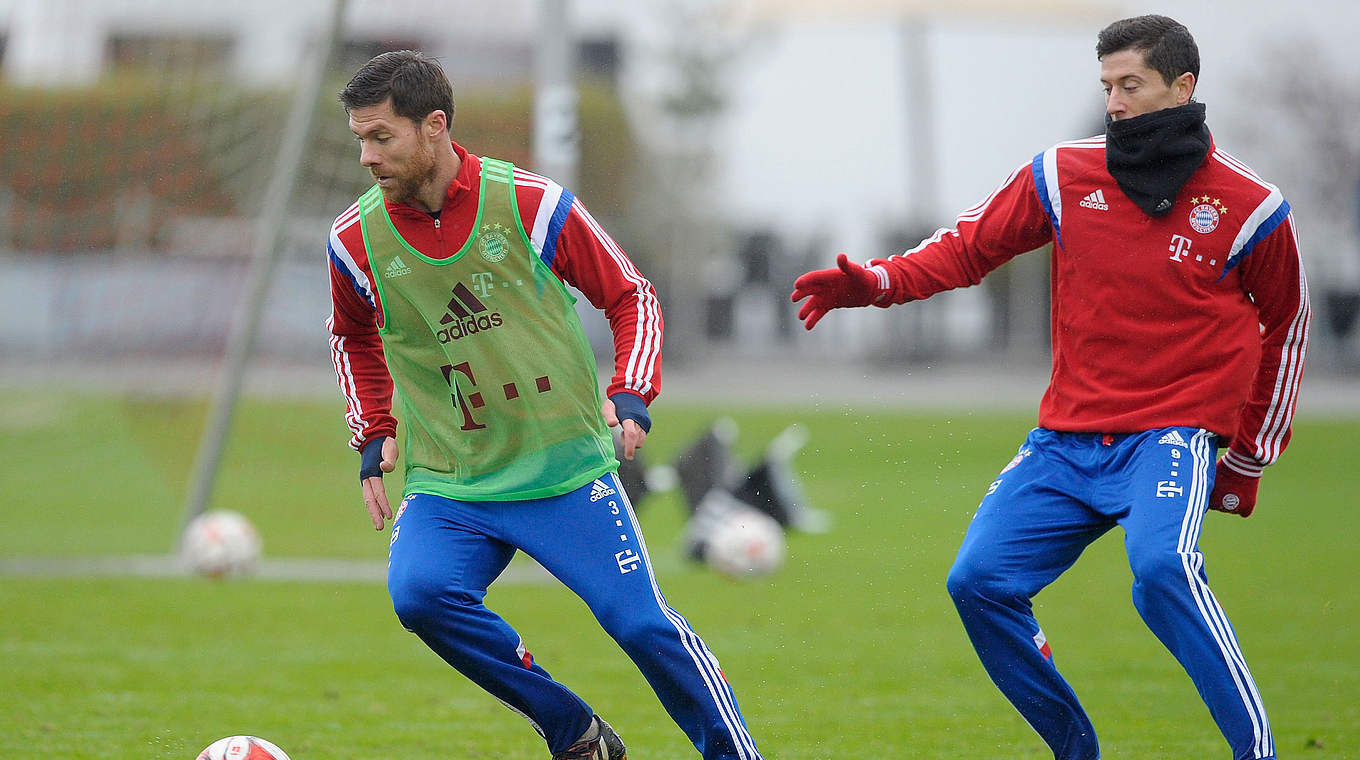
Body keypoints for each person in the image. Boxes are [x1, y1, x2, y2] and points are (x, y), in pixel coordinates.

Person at [791, 15, 1307, 760]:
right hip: (1066, 443)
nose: (1116, 101)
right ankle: (1075, 749)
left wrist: (1250, 455)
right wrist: (877, 282)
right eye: (1107, 86)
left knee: (1162, 572)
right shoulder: (1061, 174)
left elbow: (1286, 325)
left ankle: (1255, 750)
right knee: (976, 582)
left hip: (1169, 438)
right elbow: (967, 247)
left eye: (1132, 84)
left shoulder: (1250, 204)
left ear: (1183, 86)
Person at [326, 50, 763, 760]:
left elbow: (632, 295)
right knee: (420, 595)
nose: (367, 156)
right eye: (360, 140)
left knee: (642, 627)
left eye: (382, 137)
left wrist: (631, 393)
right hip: (451, 481)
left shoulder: (531, 203)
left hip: (561, 471)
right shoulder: (353, 240)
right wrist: (373, 431)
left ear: (434, 126)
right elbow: (351, 338)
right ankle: (576, 733)